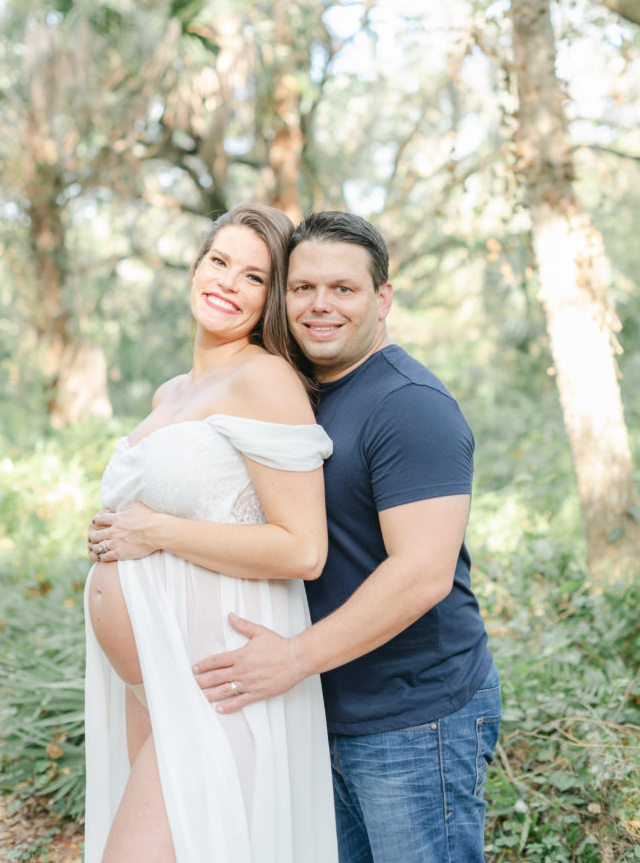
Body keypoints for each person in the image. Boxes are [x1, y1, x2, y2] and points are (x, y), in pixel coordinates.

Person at [193, 210, 501, 863]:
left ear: (382, 298)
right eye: (302, 288)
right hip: (320, 714)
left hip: (413, 719)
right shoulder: (298, 392)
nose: (319, 306)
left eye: (343, 289)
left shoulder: (411, 405)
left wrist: (295, 658)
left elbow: (421, 573)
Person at [84, 205, 338, 863]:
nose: (228, 282)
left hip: (212, 680)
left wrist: (158, 530)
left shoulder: (266, 379)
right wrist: (118, 531)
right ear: (196, 267)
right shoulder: (171, 393)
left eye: (254, 277)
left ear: (271, 299)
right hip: (150, 681)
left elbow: (302, 548)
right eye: (219, 261)